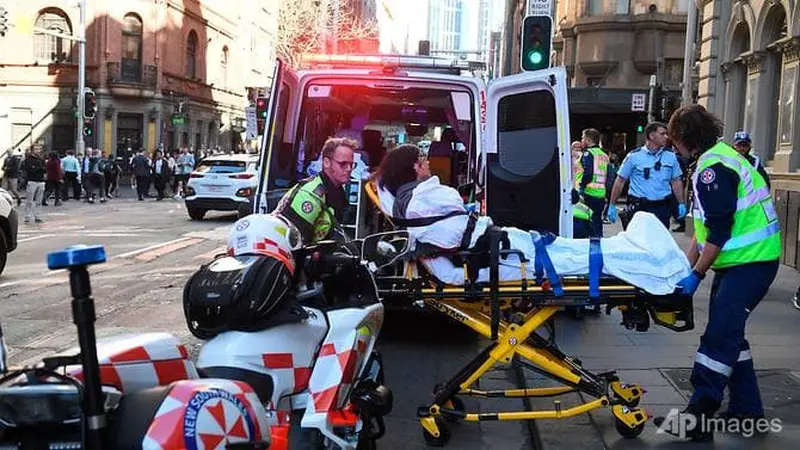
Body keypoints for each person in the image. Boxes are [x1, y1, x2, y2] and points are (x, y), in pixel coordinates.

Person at [652, 105, 781, 441]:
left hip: (750, 264)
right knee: (730, 334)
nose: (672, 145)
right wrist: (686, 263)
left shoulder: (713, 168)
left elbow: (720, 231)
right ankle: (747, 411)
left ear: (684, 138)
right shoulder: (717, 158)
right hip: (745, 262)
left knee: (719, 337)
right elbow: (706, 228)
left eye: (674, 138)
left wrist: (696, 273)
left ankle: (698, 417)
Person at [273, 137, 357, 245]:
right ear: (326, 162)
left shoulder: (337, 191)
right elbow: (293, 240)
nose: (349, 169)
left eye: (351, 164)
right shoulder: (311, 194)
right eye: (343, 164)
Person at [608, 122, 686, 229]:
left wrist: (681, 202)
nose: (666, 137)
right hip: (639, 206)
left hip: (661, 207)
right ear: (651, 136)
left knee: (659, 242)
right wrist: (612, 204)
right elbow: (620, 180)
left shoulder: (671, 156)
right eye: (662, 134)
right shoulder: (634, 156)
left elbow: (676, 181)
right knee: (637, 241)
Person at [576, 129, 608, 237]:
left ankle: (591, 245)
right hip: (600, 193)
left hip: (588, 192)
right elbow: (610, 177)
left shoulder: (588, 154)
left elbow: (587, 173)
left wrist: (581, 186)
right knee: (597, 222)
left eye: (583, 138)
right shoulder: (603, 155)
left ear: (588, 140)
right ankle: (599, 243)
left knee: (586, 222)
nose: (582, 140)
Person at [21, 148, 46, 223]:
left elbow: (44, 169)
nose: (37, 150)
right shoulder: (28, 159)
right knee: (29, 200)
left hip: (41, 181)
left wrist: (38, 168)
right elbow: (30, 169)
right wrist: (39, 168)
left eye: (38, 149)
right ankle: (27, 216)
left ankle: (38, 216)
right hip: (32, 181)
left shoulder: (41, 159)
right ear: (32, 150)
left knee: (39, 200)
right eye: (35, 149)